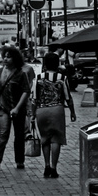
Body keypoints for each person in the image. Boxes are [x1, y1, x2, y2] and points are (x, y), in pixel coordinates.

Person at [0, 44, 33, 170]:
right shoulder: (1, 71)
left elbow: (26, 91)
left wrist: (17, 108)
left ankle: (19, 160)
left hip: (17, 108)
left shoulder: (20, 74)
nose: (6, 59)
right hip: (3, 107)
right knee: (3, 133)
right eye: (5, 57)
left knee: (19, 135)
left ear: (15, 59)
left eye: (9, 57)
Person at [32, 50, 77, 179]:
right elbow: (68, 97)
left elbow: (34, 98)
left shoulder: (38, 78)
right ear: (57, 64)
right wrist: (72, 112)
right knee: (56, 139)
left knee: (45, 139)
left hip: (42, 110)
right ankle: (54, 167)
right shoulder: (62, 78)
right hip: (57, 109)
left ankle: (46, 165)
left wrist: (33, 114)